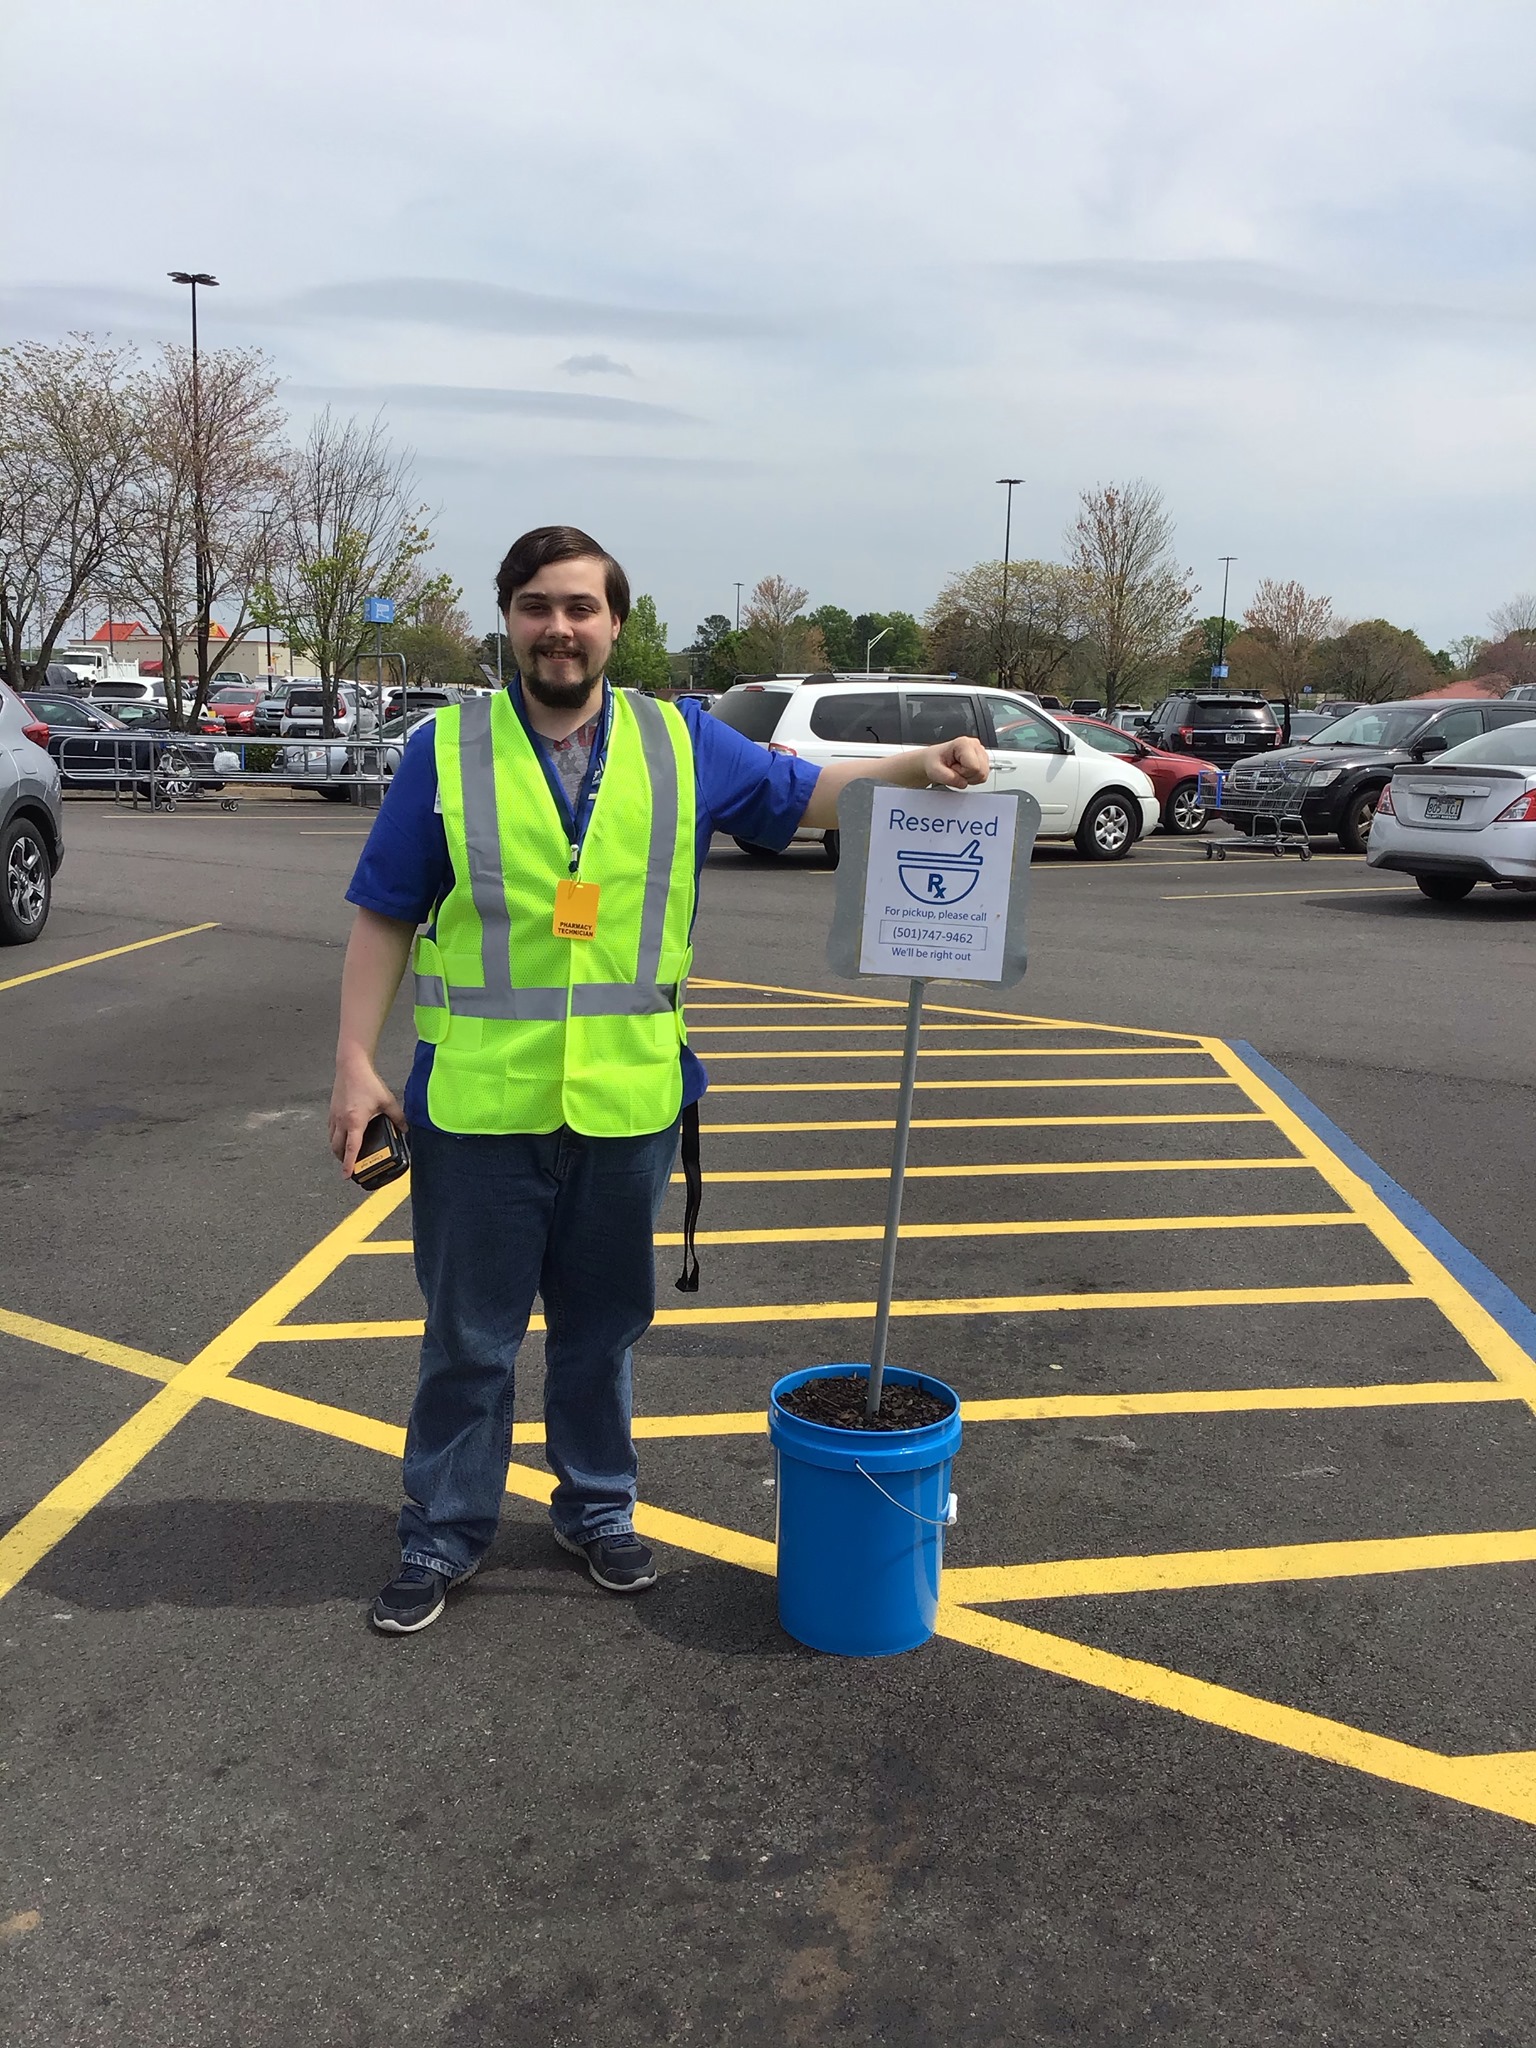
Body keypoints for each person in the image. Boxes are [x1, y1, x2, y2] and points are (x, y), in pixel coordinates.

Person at [330, 525, 989, 1635]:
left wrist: (921, 765)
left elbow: (808, 791)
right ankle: (442, 1530)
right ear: (508, 619)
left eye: (580, 607)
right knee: (468, 1343)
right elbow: (385, 910)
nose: (559, 628)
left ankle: (597, 1509)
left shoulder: (680, 740)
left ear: (617, 624)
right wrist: (354, 1061)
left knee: (602, 1333)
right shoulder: (446, 749)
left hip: (626, 1105)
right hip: (479, 1109)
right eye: (537, 606)